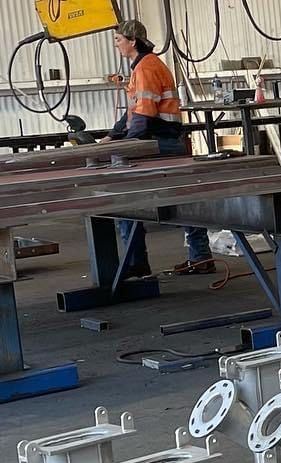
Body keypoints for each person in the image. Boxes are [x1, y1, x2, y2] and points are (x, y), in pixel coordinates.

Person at [100, 20, 212, 277]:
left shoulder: (147, 68)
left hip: (159, 142)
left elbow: (144, 116)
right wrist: (112, 136)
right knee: (184, 200)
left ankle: (137, 262)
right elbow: (134, 112)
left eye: (118, 39)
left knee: (125, 200)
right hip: (165, 140)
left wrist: (128, 145)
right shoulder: (144, 67)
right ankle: (200, 257)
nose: (116, 44)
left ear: (132, 41)